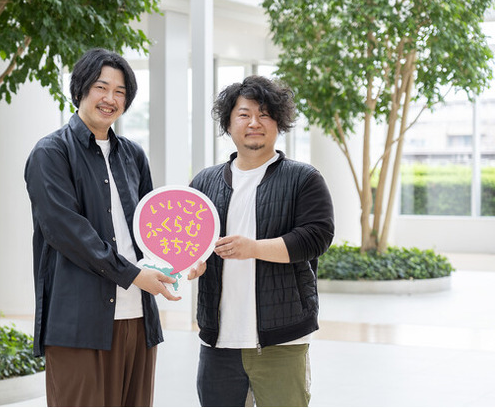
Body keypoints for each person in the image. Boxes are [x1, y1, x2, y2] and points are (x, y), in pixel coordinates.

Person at [24, 48, 181, 407]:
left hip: (139, 318)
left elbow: (152, 228)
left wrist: (184, 259)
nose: (110, 98)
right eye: (101, 87)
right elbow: (68, 232)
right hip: (78, 325)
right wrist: (132, 274)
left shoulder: (133, 155)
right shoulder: (51, 153)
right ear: (80, 88)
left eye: (120, 91)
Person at [188, 75, 335, 407]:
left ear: (279, 123)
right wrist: (191, 265)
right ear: (228, 123)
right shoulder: (204, 183)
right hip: (217, 342)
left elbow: (316, 237)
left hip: (282, 340)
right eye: (244, 114)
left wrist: (253, 248)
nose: (254, 122)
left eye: (265, 114)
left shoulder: (303, 178)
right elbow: (191, 244)